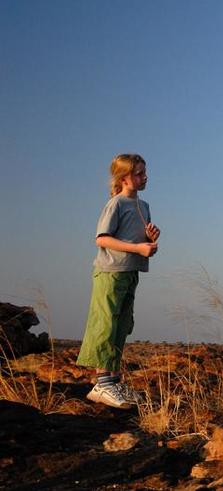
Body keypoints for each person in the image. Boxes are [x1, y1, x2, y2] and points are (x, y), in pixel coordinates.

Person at [76, 153, 160, 409]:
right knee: (105, 324)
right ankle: (102, 384)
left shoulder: (143, 206)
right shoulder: (115, 204)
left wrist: (151, 240)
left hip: (130, 272)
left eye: (144, 172)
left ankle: (113, 381)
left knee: (122, 324)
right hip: (110, 271)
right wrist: (138, 248)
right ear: (123, 178)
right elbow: (101, 239)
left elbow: (137, 241)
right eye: (138, 173)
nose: (144, 177)